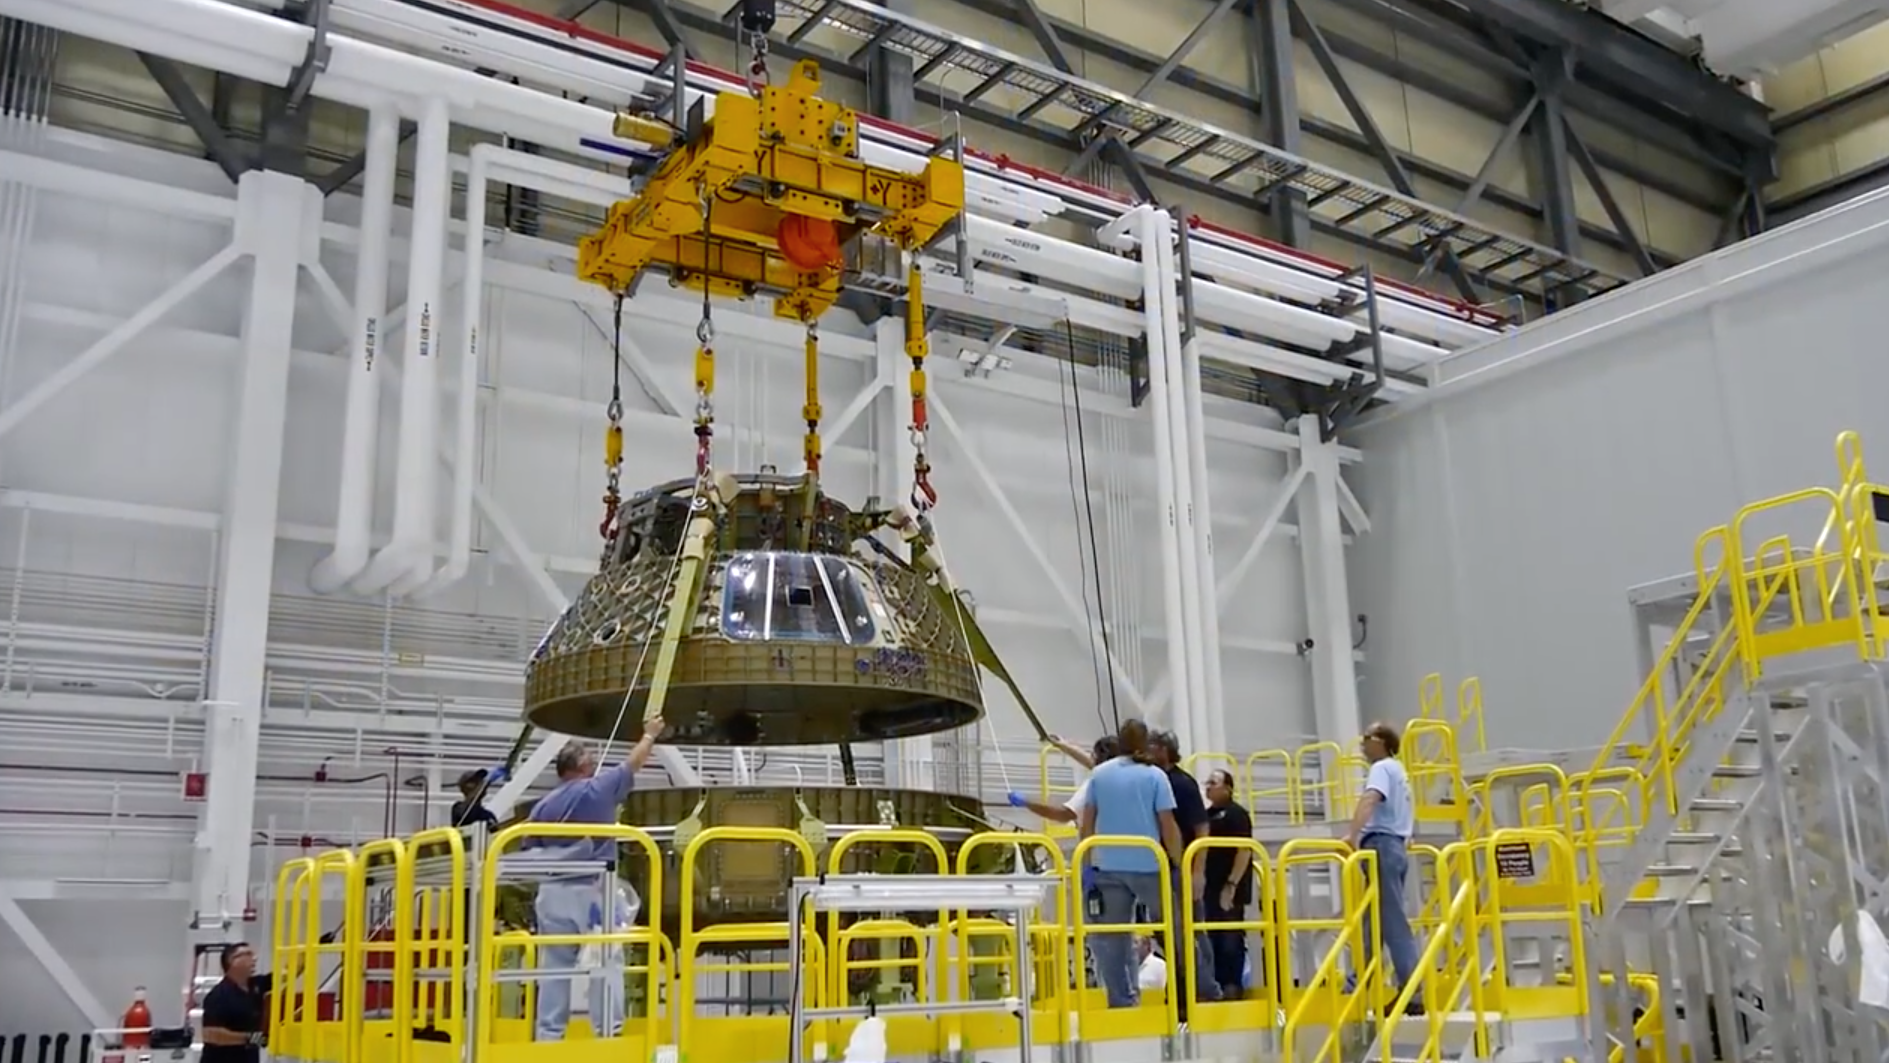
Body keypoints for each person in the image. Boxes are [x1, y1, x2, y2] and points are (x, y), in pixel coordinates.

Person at [529, 717, 665, 1041]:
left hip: (551, 894)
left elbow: (530, 849)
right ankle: (607, 1035)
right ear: (583, 766)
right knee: (605, 960)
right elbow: (633, 763)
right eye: (589, 760)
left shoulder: (542, 806)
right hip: (593, 891)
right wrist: (650, 735)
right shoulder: (597, 789)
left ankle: (549, 1037)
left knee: (554, 966)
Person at [1078, 719, 1186, 1016]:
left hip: (1108, 866)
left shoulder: (1099, 774)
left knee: (1110, 939)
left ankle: (1121, 1003)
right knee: (1176, 930)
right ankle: (1193, 993)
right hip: (1149, 864)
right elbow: (1168, 825)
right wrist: (1178, 864)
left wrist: (1086, 865)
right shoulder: (1155, 776)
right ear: (1144, 743)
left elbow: (1087, 823)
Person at [1342, 721, 1423, 1014]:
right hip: (1394, 846)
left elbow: (1370, 799)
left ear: (1381, 742)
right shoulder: (1400, 772)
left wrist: (1352, 835)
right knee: (1372, 919)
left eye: (1367, 738)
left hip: (1382, 846)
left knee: (1392, 920)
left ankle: (1412, 992)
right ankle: (1357, 981)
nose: (1362, 743)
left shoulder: (1382, 768)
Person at [1146, 730, 1221, 1007]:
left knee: (1190, 931)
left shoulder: (1182, 783)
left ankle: (1206, 988)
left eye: (1152, 745)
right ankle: (1183, 986)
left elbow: (1202, 829)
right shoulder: (1153, 779)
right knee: (1167, 932)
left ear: (1164, 749)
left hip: (1182, 868)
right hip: (1161, 867)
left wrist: (1197, 871)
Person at [1203, 769, 1256, 998]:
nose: (1208, 786)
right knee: (1210, 938)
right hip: (1208, 888)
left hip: (1229, 888)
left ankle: (1232, 984)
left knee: (1230, 937)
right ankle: (1215, 985)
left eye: (1213, 782)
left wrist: (1232, 884)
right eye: (1207, 782)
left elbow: (1244, 850)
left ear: (1228, 788)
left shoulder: (1237, 814)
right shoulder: (1205, 816)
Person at [1007, 735, 1119, 824]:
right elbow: (1090, 762)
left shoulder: (1096, 783)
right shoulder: (1121, 775)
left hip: (1098, 841)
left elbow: (1063, 815)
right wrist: (1064, 745)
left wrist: (1026, 802)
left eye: (1093, 755)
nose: (1090, 757)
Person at [198, 943, 265, 1063]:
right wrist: (251, 1039)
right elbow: (211, 1034)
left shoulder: (256, 985)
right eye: (248, 954)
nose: (254, 958)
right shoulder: (218, 995)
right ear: (233, 960)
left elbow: (287, 974)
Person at [451, 766, 506, 830]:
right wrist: (486, 783)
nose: (480, 782)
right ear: (466, 787)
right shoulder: (458, 808)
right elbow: (469, 814)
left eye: (481, 780)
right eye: (475, 781)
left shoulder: (488, 815)